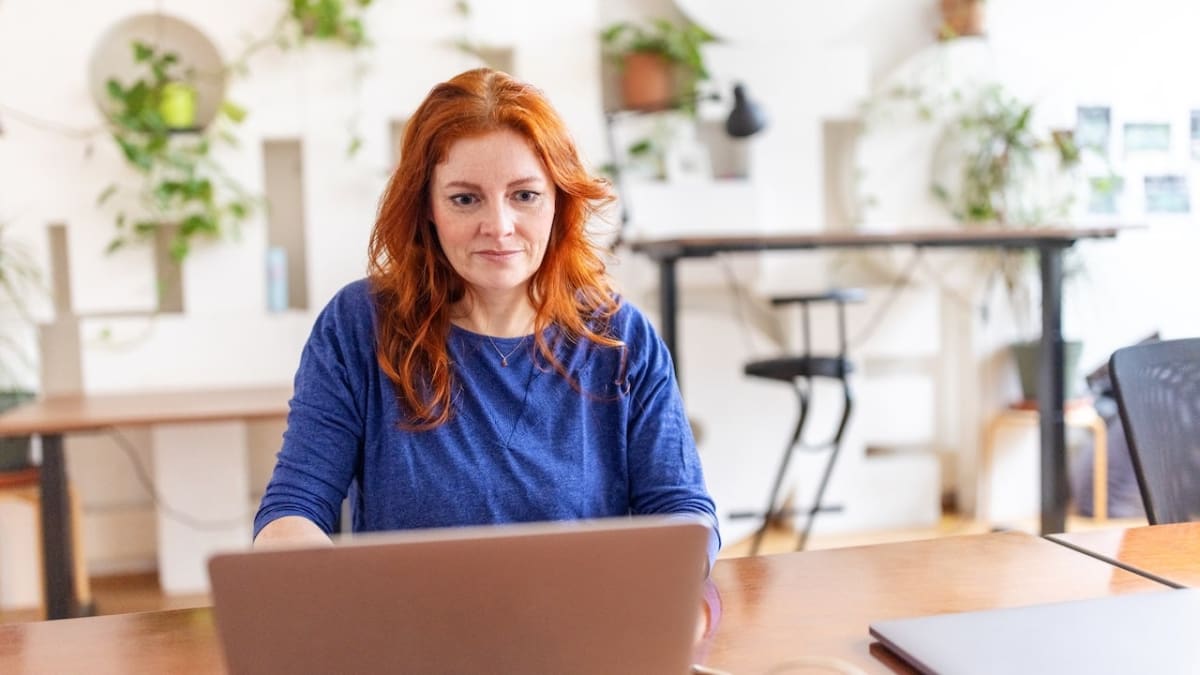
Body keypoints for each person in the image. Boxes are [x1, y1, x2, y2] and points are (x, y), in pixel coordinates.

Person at [253, 67, 719, 568]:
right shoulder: (360, 324)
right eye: (465, 198)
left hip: (579, 639)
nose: (498, 227)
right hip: (409, 637)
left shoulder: (619, 338)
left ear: (558, 201)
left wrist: (678, 586)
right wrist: (296, 566)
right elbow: (295, 506)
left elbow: (682, 510)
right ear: (427, 206)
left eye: (524, 195)